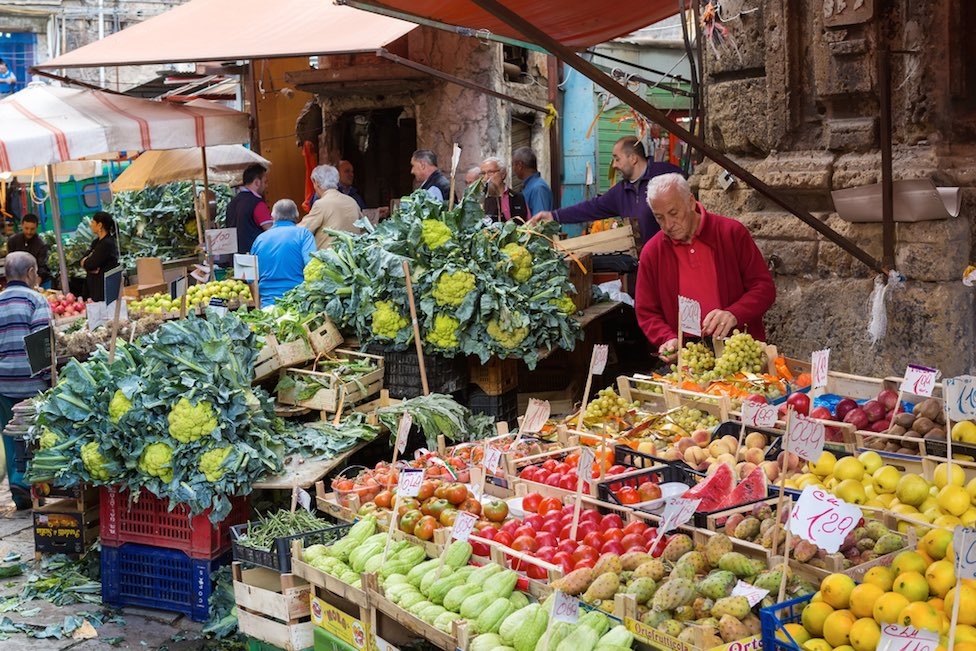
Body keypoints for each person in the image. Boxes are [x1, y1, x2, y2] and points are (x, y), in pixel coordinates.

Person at [635, 173, 776, 363]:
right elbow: (646, 310)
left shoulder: (731, 233)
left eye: (674, 213)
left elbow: (764, 288)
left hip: (739, 348)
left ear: (691, 202)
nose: (668, 225)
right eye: (659, 218)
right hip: (688, 357)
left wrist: (734, 313)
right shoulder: (652, 252)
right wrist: (666, 338)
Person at [530, 136, 683, 244]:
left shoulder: (666, 174)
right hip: (645, 265)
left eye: (617, 159)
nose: (614, 165)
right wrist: (554, 215)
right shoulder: (621, 192)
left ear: (633, 158)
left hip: (676, 259)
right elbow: (591, 208)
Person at [0, 252, 52, 509]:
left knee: (10, 433)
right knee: (34, 434)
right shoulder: (36, 300)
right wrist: (46, 380)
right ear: (31, 272)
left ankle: (19, 488)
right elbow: (41, 346)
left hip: (3, 383)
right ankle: (37, 487)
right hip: (31, 384)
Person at [251, 199, 316, 308]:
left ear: (273, 217)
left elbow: (250, 277)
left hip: (267, 306)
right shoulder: (304, 235)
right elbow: (312, 266)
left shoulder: (260, 240)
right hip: (297, 304)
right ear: (297, 217)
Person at [299, 165, 362, 249]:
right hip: (352, 256)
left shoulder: (321, 204)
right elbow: (363, 228)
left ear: (316, 182)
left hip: (330, 258)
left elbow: (301, 231)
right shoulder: (352, 201)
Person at [225, 164, 272, 254]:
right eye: (265, 182)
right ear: (257, 182)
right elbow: (271, 231)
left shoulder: (231, 204)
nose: (266, 186)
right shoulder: (257, 203)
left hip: (235, 258)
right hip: (254, 258)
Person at [81, 212, 119, 303]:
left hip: (104, 286)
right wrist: (87, 263)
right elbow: (84, 260)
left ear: (100, 225)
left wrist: (88, 264)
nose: (91, 225)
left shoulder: (107, 244)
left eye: (93, 222)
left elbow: (90, 263)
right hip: (95, 285)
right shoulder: (96, 242)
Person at [6, 214, 51, 288]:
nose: (29, 232)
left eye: (32, 229)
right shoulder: (12, 241)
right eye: (26, 228)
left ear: (37, 228)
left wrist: (36, 284)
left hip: (40, 281)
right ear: (22, 226)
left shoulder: (42, 245)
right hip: (19, 281)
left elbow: (43, 267)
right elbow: (11, 264)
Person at [480, 157, 529, 222]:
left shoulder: (518, 197)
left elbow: (529, 224)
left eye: (491, 172)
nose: (486, 177)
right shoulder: (480, 199)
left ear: (503, 174)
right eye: (483, 173)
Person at [512, 147, 553, 215]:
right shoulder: (529, 186)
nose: (513, 169)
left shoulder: (538, 188)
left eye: (513, 164)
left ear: (519, 165)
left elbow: (540, 222)